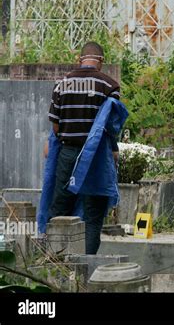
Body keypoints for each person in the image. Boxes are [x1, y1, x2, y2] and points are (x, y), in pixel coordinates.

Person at [46, 42, 124, 254]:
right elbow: (111, 126)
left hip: (68, 153)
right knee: (93, 214)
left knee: (61, 209)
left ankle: (56, 262)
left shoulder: (62, 84)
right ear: (101, 61)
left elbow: (55, 125)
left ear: (79, 59)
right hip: (97, 156)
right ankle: (86, 267)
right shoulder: (110, 86)